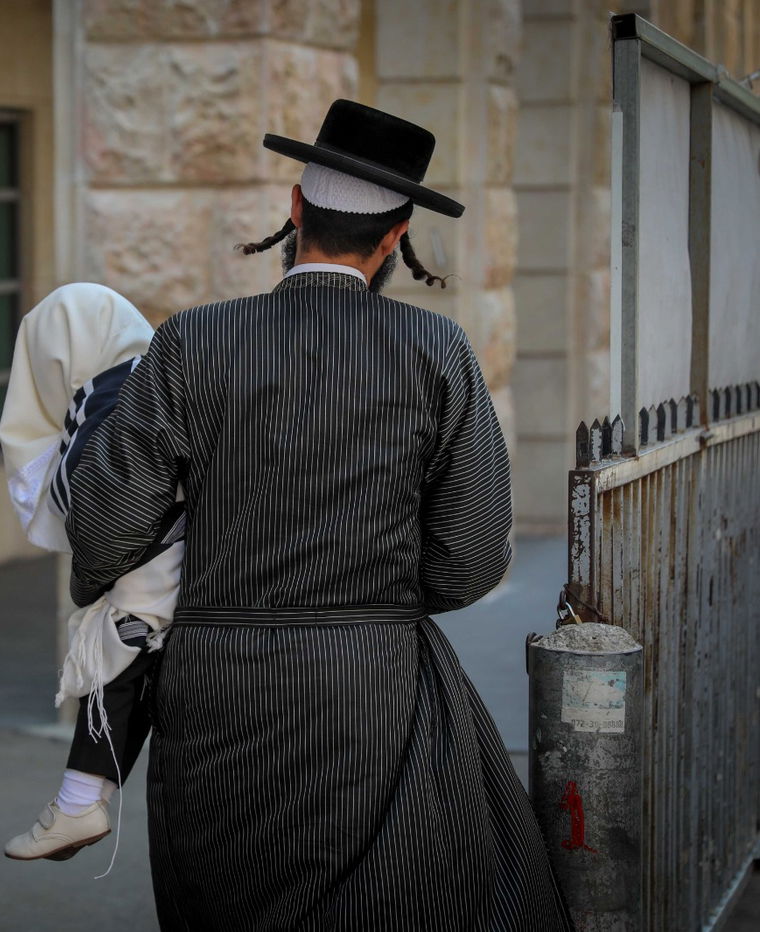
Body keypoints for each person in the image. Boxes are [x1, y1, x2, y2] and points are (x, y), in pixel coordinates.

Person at [65, 101, 573, 930]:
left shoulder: (194, 341)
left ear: (295, 212)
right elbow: (473, 556)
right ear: (395, 237)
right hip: (373, 685)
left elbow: (108, 530)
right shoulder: (436, 352)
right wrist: (377, 600)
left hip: (214, 687)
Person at [0, 284, 183, 862]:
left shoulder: (109, 391)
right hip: (202, 562)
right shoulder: (163, 373)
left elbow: (89, 504)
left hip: (161, 565)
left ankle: (77, 803)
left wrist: (91, 583)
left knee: (117, 648)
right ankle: (77, 800)